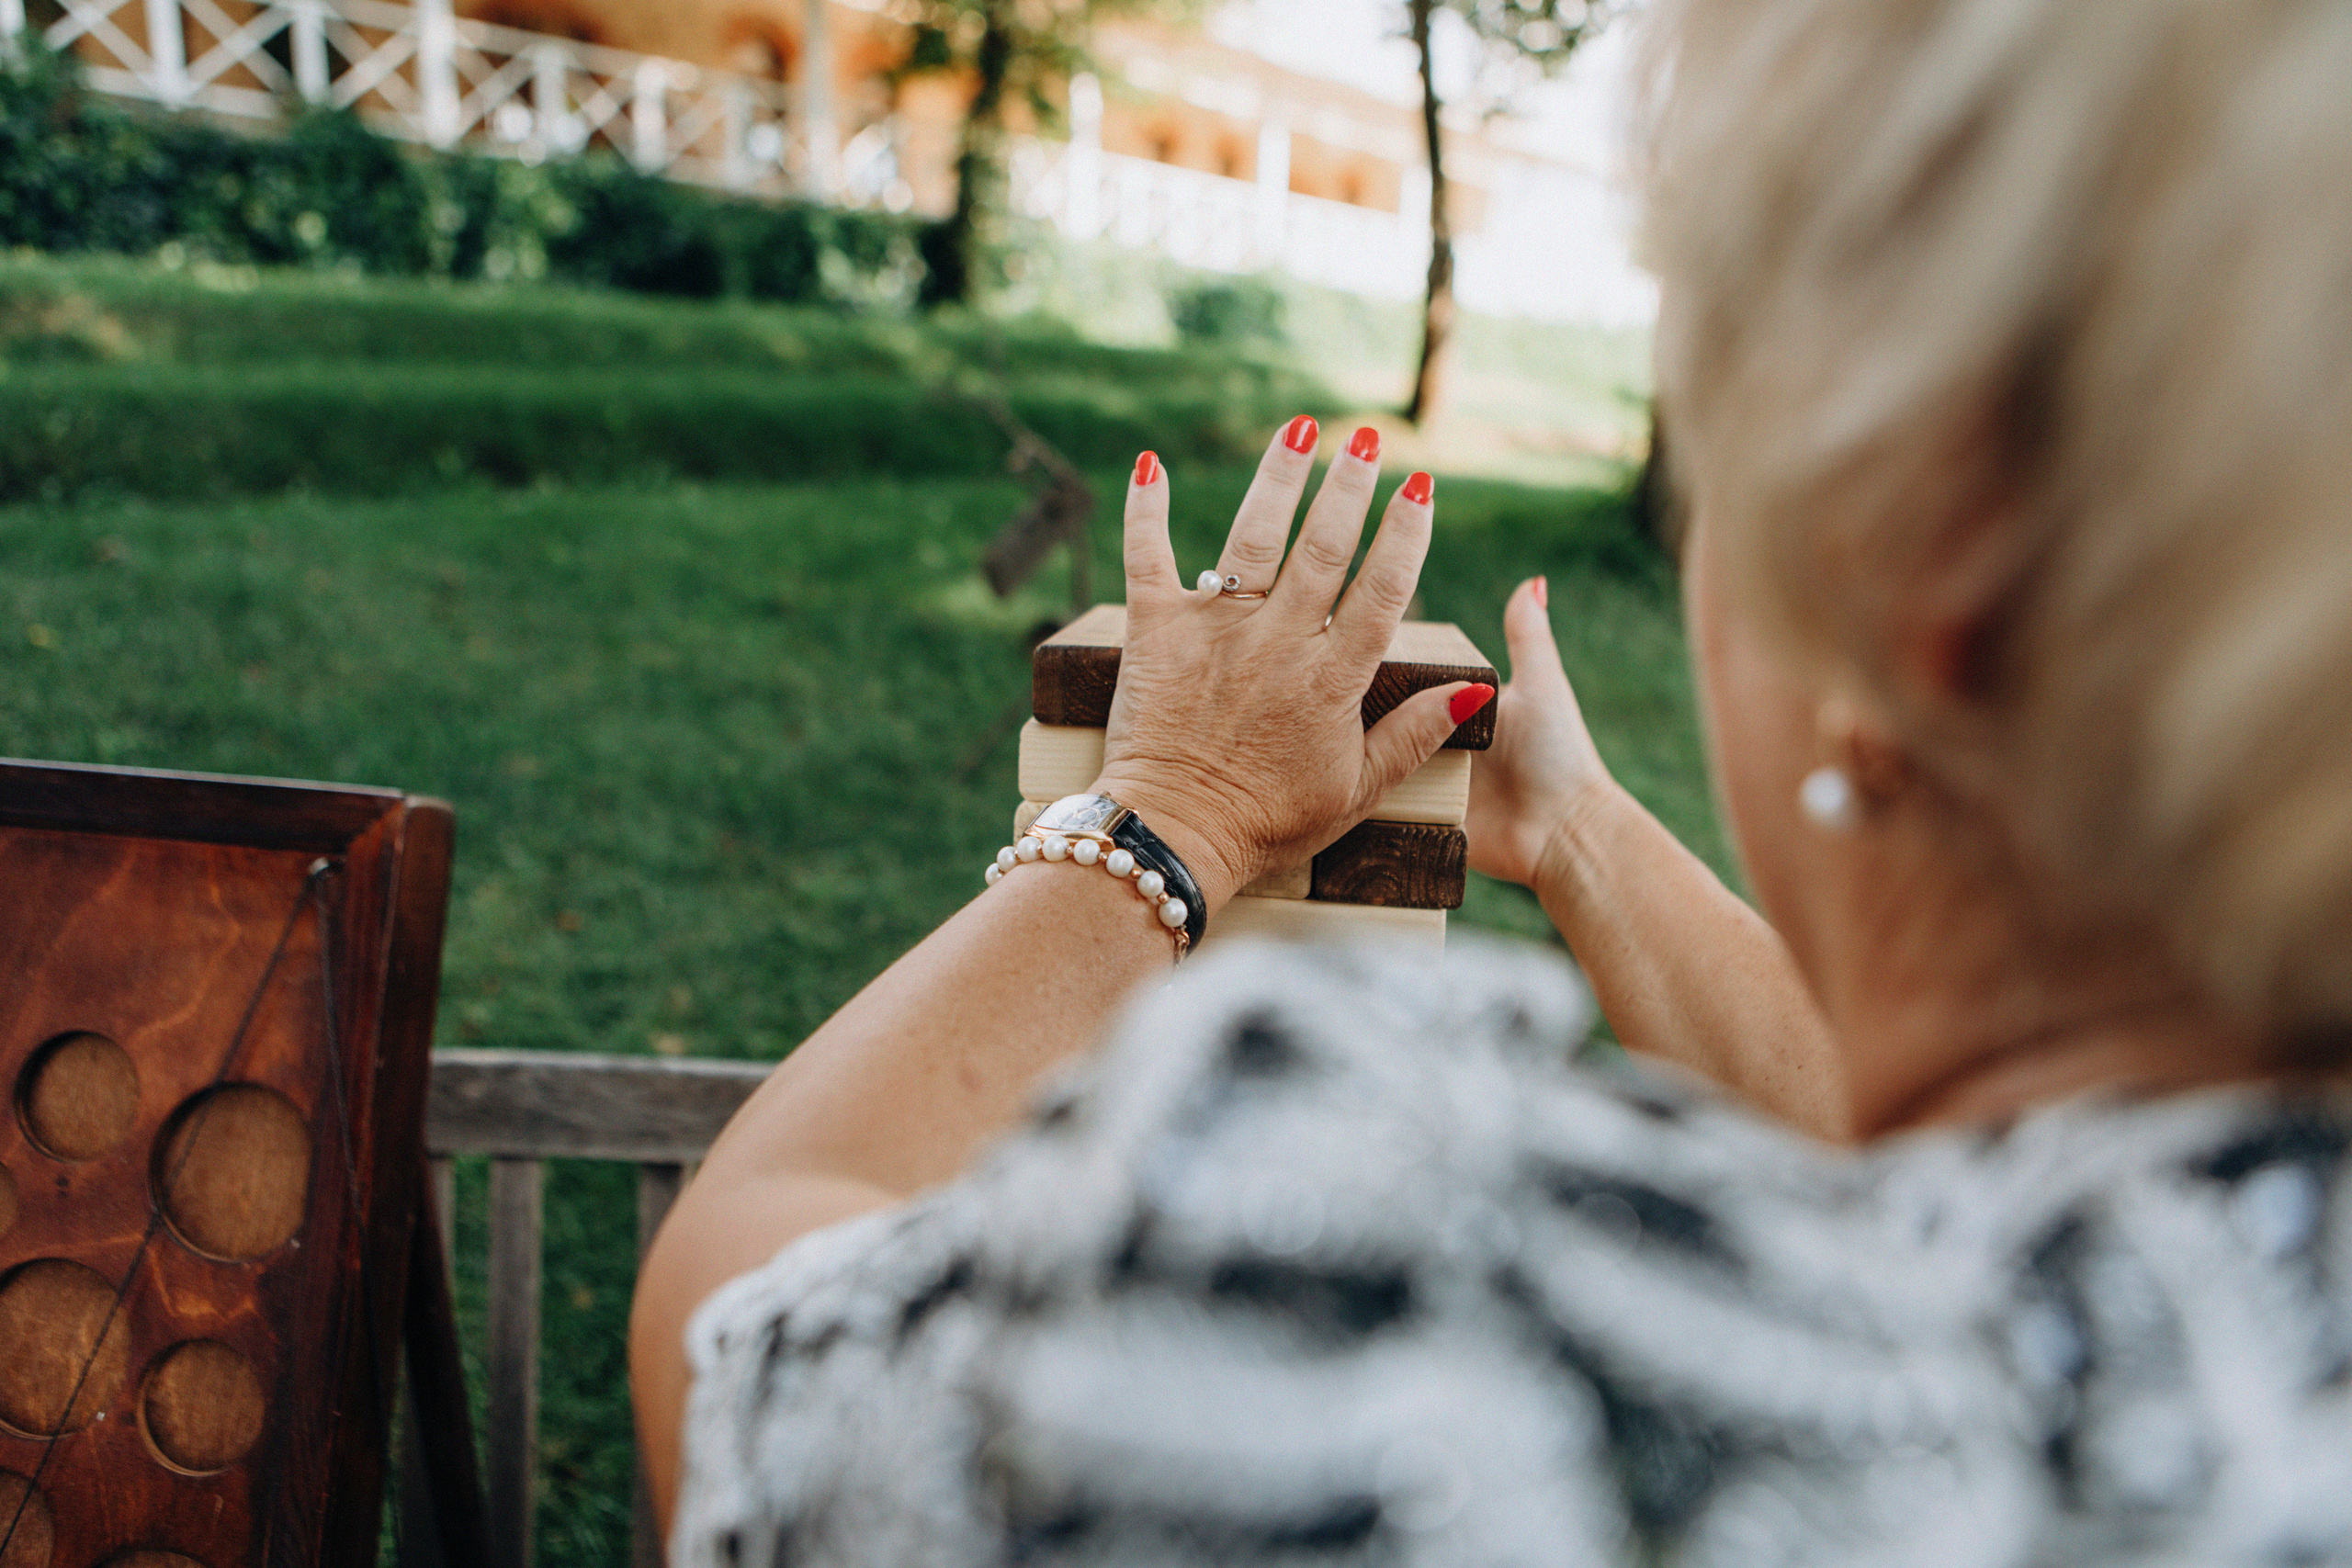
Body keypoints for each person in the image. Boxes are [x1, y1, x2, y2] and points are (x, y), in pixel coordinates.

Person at [630, 0, 2352, 1560]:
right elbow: (1983, 1194)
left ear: (1910, 566)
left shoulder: (1394, 1289)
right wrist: (1576, 832)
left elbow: (738, 1332)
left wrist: (1166, 818)